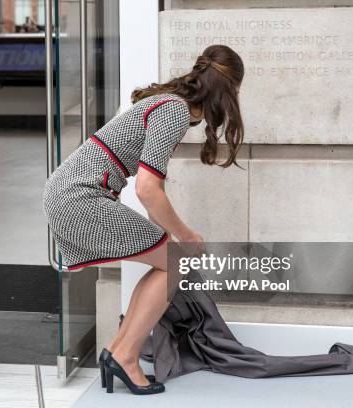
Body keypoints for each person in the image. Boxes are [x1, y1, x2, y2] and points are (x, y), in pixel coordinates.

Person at [42, 44, 244, 395]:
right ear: (227, 90)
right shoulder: (176, 110)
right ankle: (126, 357)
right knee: (175, 263)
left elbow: (151, 194)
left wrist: (174, 236)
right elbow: (149, 189)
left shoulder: (168, 104)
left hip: (69, 193)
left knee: (169, 262)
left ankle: (118, 352)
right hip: (80, 198)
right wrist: (187, 235)